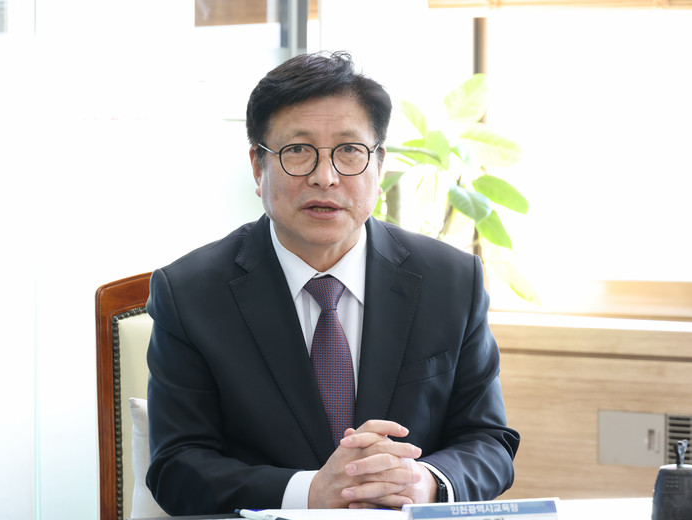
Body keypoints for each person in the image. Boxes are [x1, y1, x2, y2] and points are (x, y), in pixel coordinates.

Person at [145, 51, 520, 515]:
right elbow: (177, 466)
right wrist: (310, 493)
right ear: (258, 166)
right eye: (297, 151)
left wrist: (425, 483)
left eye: (349, 151)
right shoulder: (190, 293)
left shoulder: (452, 281)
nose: (325, 178)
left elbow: (488, 440)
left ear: (379, 166)